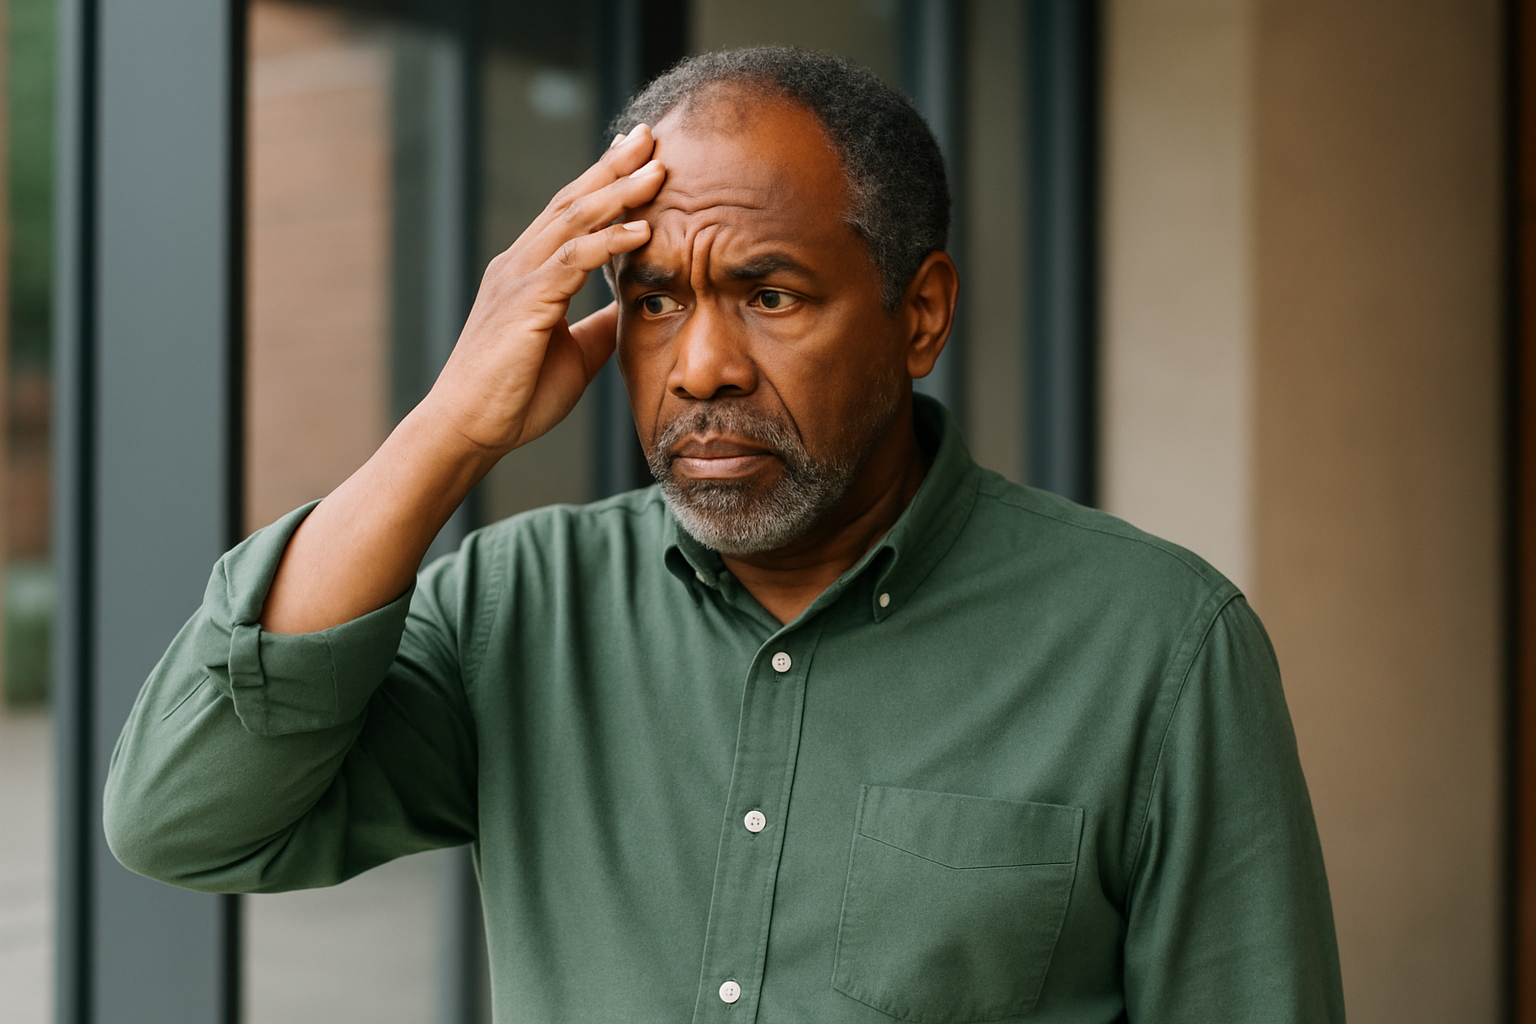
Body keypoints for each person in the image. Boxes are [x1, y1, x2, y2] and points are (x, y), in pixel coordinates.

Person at [104, 47, 1344, 1023]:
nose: (700, 367)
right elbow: (184, 819)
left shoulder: (1158, 646)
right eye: (654, 301)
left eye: (769, 294)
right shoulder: (520, 607)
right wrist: (446, 434)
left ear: (921, 315)